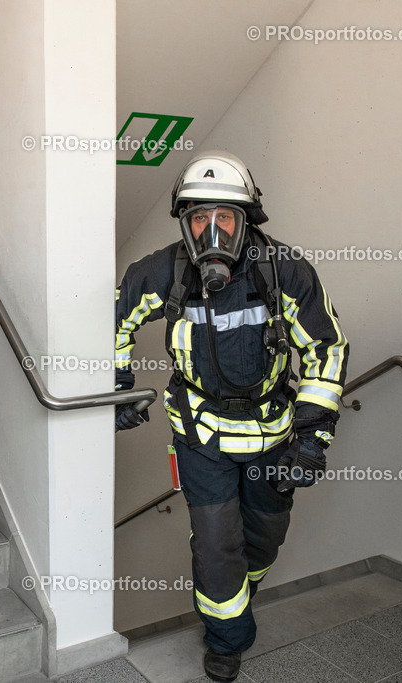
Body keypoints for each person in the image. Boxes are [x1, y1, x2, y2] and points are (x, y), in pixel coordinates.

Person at [113, 151, 349, 682]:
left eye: (226, 217)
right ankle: (227, 639)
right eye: (200, 218)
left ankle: (239, 595)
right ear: (185, 223)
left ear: (247, 221)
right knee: (217, 545)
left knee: (263, 538)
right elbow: (112, 323)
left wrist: (314, 438)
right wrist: (119, 388)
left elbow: (326, 350)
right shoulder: (160, 272)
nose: (213, 230)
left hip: (274, 436)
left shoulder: (286, 270)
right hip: (200, 435)